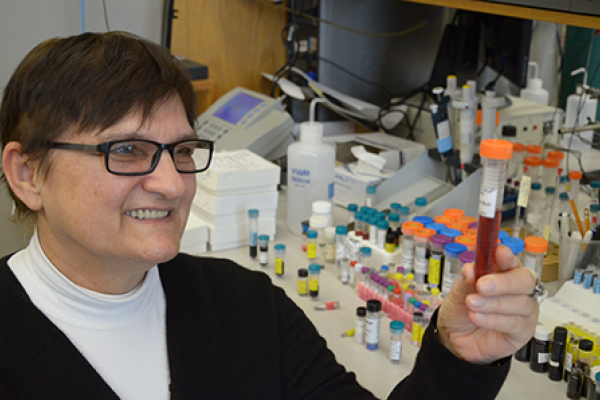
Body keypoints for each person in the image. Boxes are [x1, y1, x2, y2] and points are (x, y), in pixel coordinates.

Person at [0, 32, 538, 399]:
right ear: (27, 174)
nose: (170, 183)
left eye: (183, 151)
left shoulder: (245, 309)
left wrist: (457, 359)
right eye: (125, 151)